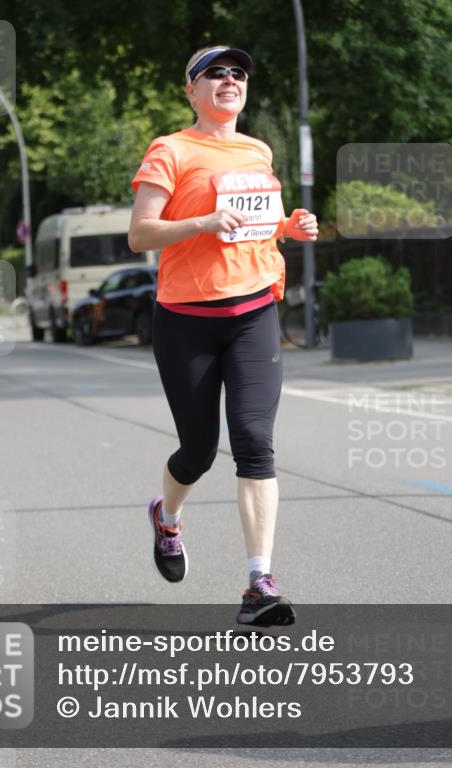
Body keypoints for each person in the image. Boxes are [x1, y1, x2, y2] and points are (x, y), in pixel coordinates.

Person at [129, 45, 318, 626]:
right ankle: (167, 518)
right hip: (185, 319)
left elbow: (254, 226)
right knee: (198, 451)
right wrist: (202, 223)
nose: (230, 79)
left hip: (253, 312)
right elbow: (141, 234)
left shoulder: (257, 150)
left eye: (238, 73)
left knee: (255, 441)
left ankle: (260, 583)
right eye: (215, 73)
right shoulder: (170, 150)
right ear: (192, 90)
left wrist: (288, 227)